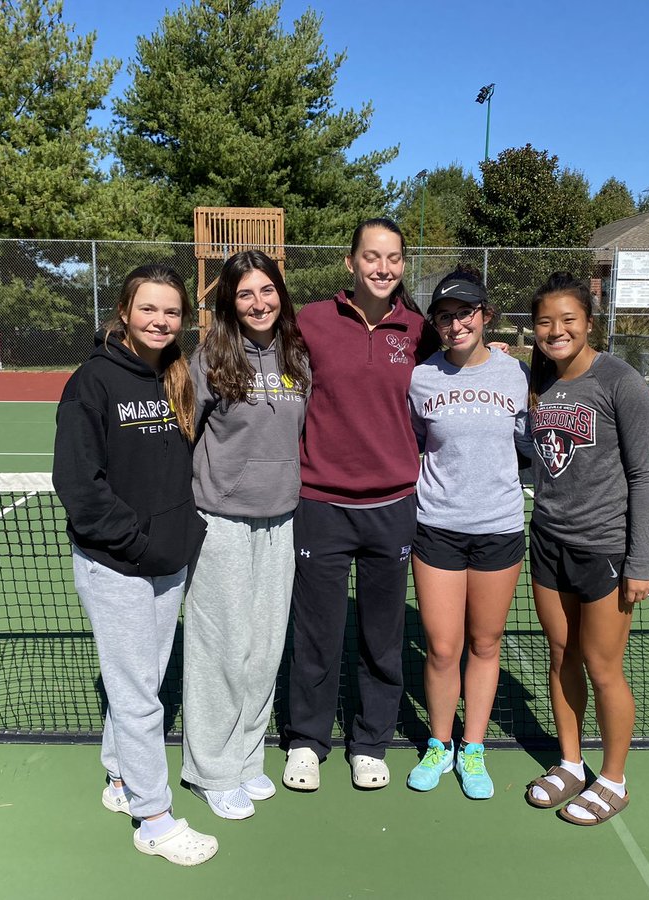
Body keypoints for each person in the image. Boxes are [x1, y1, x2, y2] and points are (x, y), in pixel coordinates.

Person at [51, 264, 217, 866]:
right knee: (138, 695)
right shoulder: (91, 383)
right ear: (124, 312)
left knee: (141, 684)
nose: (160, 321)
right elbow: (77, 485)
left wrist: (180, 535)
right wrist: (143, 543)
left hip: (165, 561)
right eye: (149, 309)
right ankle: (154, 817)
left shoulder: (175, 378)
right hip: (115, 565)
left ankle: (121, 778)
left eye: (171, 312)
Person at [282, 218, 437, 792]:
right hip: (319, 503)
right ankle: (307, 739)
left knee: (381, 633)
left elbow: (460, 363)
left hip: (393, 505)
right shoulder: (312, 321)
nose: (383, 267)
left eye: (394, 257)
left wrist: (494, 348)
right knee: (317, 632)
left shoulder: (419, 330)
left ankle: (370, 742)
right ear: (350, 262)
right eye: (372, 256)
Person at [180, 250, 310, 820]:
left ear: (280, 293)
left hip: (280, 519)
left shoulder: (296, 355)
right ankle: (210, 770)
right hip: (221, 523)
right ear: (230, 303)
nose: (259, 303)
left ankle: (247, 757)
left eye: (267, 290)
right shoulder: (209, 358)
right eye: (245, 294)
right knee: (221, 650)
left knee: (264, 650)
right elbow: (182, 432)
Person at [522, 272, 649, 826]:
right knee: (560, 656)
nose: (557, 331)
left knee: (603, 668)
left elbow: (642, 476)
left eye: (568, 320)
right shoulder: (539, 380)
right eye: (546, 322)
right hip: (547, 542)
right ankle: (572, 763)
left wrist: (639, 562)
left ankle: (614, 779)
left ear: (588, 323)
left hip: (603, 549)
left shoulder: (620, 382)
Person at [404, 266, 530, 800]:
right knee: (441, 646)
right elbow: (410, 443)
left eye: (465, 313)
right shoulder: (420, 378)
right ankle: (440, 742)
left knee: (485, 642)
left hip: (499, 528)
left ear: (485, 315)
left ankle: (472, 748)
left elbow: (532, 444)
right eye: (446, 316)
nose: (456, 324)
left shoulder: (518, 375)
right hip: (436, 528)